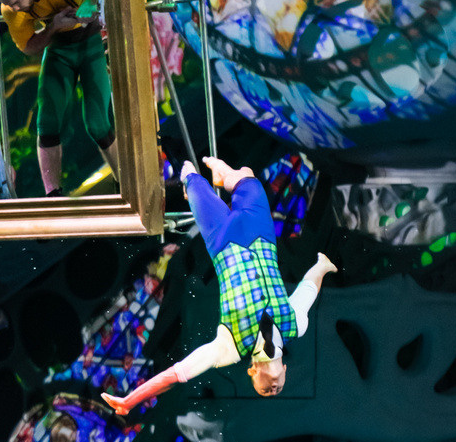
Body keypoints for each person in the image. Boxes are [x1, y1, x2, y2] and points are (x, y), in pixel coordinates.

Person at [102, 155, 337, 409]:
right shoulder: (295, 326)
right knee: (248, 177)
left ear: (252, 372)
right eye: (277, 389)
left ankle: (208, 178)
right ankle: (226, 174)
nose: (272, 390)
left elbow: (176, 374)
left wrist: (131, 400)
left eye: (264, 391)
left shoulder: (229, 348)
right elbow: (308, 288)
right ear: (285, 370)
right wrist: (322, 266)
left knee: (191, 176)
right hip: (259, 231)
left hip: (222, 239)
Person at [0, 0, 119, 195]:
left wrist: (91, 1)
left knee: (97, 123)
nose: (15, 8)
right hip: (60, 48)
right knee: (46, 122)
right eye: (11, 5)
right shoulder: (10, 9)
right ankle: (54, 197)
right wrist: (53, 27)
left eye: (18, 2)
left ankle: (123, 182)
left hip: (91, 39)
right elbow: (28, 46)